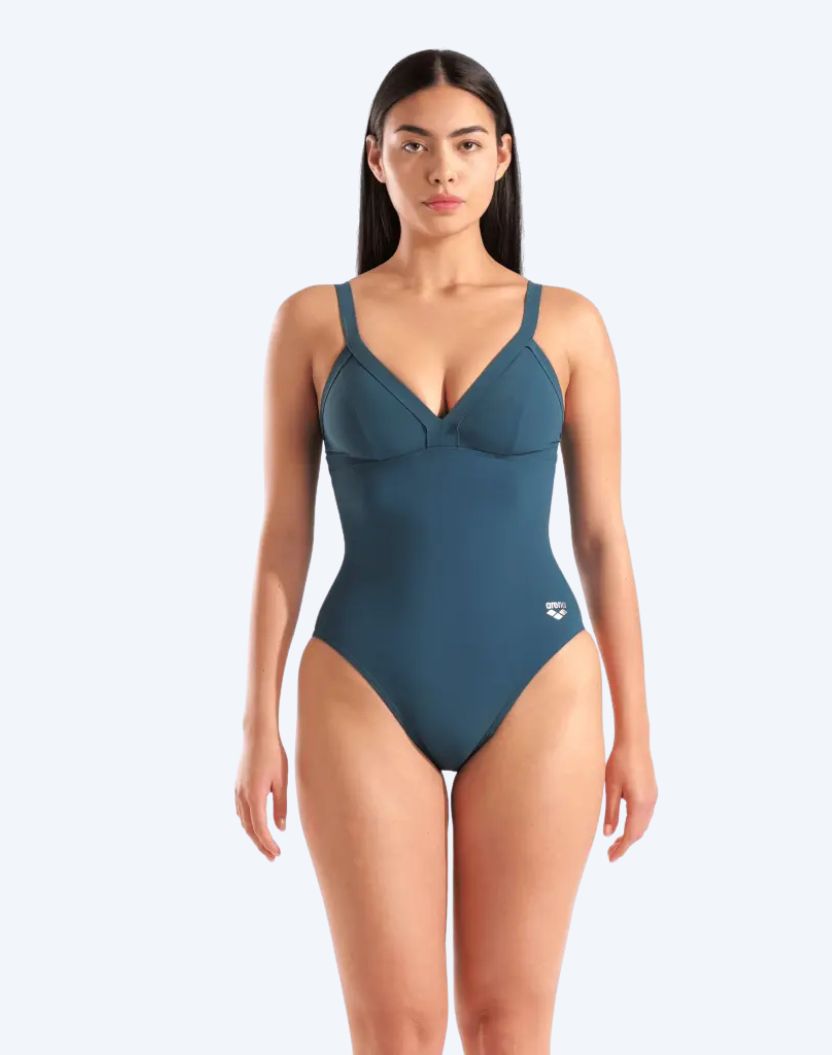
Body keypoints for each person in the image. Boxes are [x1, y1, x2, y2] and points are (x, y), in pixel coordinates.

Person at [235, 48, 657, 1055]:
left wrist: (636, 730)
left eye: (466, 145)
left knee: (510, 1027)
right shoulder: (312, 320)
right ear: (374, 159)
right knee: (396, 1030)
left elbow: (602, 535)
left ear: (502, 157)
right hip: (360, 681)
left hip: (540, 678)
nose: (441, 170)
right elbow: (283, 533)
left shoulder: (569, 323)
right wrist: (257, 722)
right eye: (414, 145)